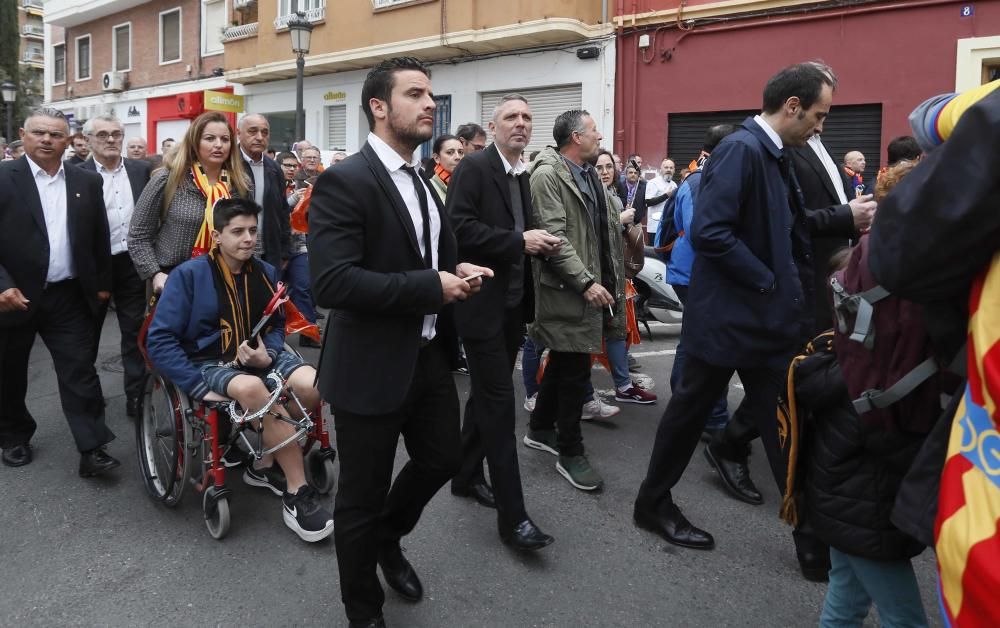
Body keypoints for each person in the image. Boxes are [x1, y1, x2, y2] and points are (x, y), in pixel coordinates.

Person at [308, 56, 492, 628]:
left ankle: (388, 537)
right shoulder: (345, 180)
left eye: (431, 95)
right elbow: (333, 282)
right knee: (358, 501)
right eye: (416, 94)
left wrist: (453, 266)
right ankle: (363, 611)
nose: (430, 104)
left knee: (442, 457)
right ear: (379, 107)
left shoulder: (423, 180)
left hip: (427, 357)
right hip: (369, 367)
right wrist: (428, 286)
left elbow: (422, 256)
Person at [633, 62, 838, 549]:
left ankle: (810, 537)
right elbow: (710, 233)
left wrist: (843, 215)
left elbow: (786, 222)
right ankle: (652, 504)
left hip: (761, 323)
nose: (820, 125)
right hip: (729, 320)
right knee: (689, 415)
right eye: (818, 114)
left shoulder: (773, 151)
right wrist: (767, 280)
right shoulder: (740, 150)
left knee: (782, 421)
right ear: (793, 107)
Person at [145, 197, 334, 543]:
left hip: (261, 356)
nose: (248, 238)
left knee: (313, 384)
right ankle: (297, 491)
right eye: (237, 232)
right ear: (216, 236)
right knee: (253, 391)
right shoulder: (188, 276)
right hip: (211, 363)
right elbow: (159, 341)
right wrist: (196, 387)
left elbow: (277, 324)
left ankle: (263, 463)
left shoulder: (265, 271)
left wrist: (270, 353)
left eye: (252, 231)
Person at [796, 160, 932, 628]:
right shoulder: (907, 266)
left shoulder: (874, 258)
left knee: (846, 595)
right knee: (904, 617)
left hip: (849, 449)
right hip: (869, 455)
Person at [447, 93, 558, 549]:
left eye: (527, 117)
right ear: (492, 128)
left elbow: (519, 238)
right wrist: (518, 239)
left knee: (485, 397)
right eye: (510, 117)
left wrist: (537, 242)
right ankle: (514, 519)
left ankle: (465, 475)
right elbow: (457, 229)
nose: (521, 123)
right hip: (479, 307)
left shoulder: (523, 173)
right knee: (499, 404)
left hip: (512, 307)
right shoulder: (474, 168)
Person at [0, 107, 116, 475]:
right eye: (39, 133)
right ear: (24, 134)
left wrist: (101, 287)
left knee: (79, 370)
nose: (47, 140)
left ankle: (92, 448)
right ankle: (14, 436)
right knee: (9, 371)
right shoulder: (4, 178)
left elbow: (100, 237)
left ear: (68, 141)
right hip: (14, 297)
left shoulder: (86, 182)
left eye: (55, 134)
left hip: (67, 296)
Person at [523, 109, 618, 492]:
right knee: (575, 371)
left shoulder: (588, 174)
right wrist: (586, 283)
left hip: (585, 285)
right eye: (594, 131)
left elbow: (598, 231)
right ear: (576, 138)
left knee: (565, 362)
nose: (601, 137)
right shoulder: (548, 175)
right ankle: (570, 450)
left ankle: (539, 428)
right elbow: (554, 239)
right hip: (567, 291)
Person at [664, 124, 737, 443]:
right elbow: (700, 232)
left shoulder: (702, 175)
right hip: (697, 274)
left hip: (694, 272)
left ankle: (687, 407)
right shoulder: (699, 180)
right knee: (708, 343)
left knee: (694, 340)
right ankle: (710, 416)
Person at [77, 114, 152, 418]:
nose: (110, 140)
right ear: (89, 140)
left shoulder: (141, 170)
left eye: (116, 134)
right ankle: (89, 396)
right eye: (103, 135)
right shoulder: (76, 174)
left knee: (134, 332)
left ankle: (135, 395)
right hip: (95, 267)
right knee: (85, 335)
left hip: (132, 262)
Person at [129, 112, 252, 295]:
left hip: (226, 281)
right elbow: (138, 236)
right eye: (210, 138)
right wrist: (155, 274)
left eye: (225, 139)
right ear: (194, 142)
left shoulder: (241, 184)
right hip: (173, 281)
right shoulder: (168, 179)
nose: (218, 145)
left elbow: (250, 234)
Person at [789, 134, 874, 334]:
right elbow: (790, 217)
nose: (821, 124)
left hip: (838, 269)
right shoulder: (788, 147)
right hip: (812, 273)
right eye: (819, 115)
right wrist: (846, 215)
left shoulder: (821, 145)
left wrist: (857, 219)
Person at [595, 149, 656, 405]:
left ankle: (623, 385)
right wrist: (619, 221)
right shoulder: (589, 195)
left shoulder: (614, 196)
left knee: (618, 330)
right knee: (576, 337)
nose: (605, 172)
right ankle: (550, 391)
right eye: (599, 167)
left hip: (615, 274)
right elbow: (590, 233)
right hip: (592, 276)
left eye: (609, 167)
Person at [236, 114, 292, 271]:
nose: (259, 137)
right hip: (234, 251)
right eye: (253, 131)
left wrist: (285, 251)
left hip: (269, 251)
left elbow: (283, 211)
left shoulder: (273, 168)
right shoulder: (228, 163)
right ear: (238, 133)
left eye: (264, 132)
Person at [644, 158, 676, 244]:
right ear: (661, 169)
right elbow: (648, 202)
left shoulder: (674, 185)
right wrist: (666, 195)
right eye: (666, 167)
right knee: (654, 255)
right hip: (655, 228)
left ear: (674, 170)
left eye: (671, 168)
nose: (668, 170)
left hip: (668, 227)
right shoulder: (653, 183)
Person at [427, 134, 464, 203]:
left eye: (461, 152)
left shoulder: (469, 185)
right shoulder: (427, 188)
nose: (458, 157)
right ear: (436, 158)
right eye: (450, 152)